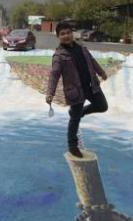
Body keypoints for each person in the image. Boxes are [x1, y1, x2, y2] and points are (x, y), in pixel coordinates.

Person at [45, 21, 108, 157]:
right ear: (58, 37)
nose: (66, 36)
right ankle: (73, 146)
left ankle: (81, 112)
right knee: (75, 120)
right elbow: (54, 75)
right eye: (62, 34)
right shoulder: (59, 56)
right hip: (75, 91)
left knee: (102, 106)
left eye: (68, 33)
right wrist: (50, 93)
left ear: (72, 33)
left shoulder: (82, 48)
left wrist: (101, 72)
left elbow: (92, 61)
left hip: (91, 85)